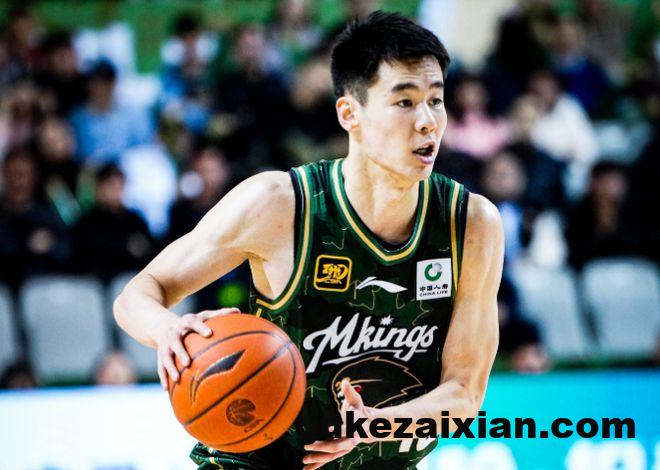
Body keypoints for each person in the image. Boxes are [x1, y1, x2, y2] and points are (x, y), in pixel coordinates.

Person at [114, 11, 503, 470]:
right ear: (350, 114)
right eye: (404, 102)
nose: (427, 122)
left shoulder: (471, 224)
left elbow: (464, 394)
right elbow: (137, 294)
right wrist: (167, 330)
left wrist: (377, 424)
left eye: (436, 101)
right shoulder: (280, 204)